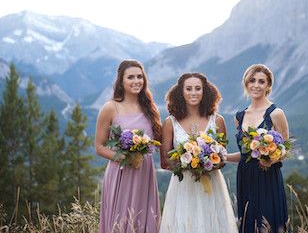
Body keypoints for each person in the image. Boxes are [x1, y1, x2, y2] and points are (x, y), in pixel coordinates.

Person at [159, 72, 238, 233]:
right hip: (182, 186)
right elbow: (164, 161)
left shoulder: (217, 120)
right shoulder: (170, 122)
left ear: (205, 92)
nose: (193, 92)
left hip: (211, 185)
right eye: (188, 89)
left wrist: (205, 163)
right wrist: (187, 163)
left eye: (198, 88)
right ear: (181, 92)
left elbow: (222, 158)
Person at [96, 60, 162, 233]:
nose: (136, 81)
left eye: (140, 77)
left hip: (144, 172)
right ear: (121, 81)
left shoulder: (150, 108)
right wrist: (124, 158)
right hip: (121, 172)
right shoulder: (110, 108)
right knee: (120, 220)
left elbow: (159, 141)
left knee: (144, 219)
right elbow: (99, 146)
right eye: (131, 77)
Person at [227, 64, 289, 233]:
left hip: (268, 177)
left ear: (268, 85)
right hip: (245, 177)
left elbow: (285, 149)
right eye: (252, 80)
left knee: (269, 222)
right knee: (248, 223)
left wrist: (271, 160)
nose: (256, 85)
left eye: (261, 81)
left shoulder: (276, 113)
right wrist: (222, 156)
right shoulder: (240, 116)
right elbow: (245, 155)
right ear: (246, 83)